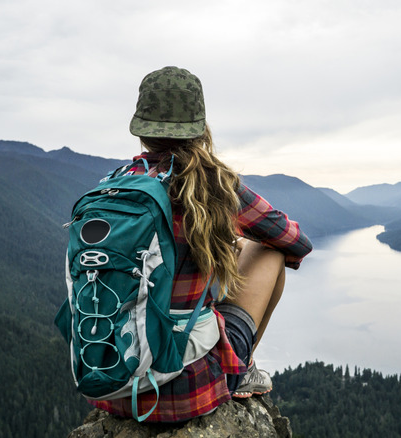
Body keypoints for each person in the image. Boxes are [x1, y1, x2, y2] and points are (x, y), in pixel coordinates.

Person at [89, 66, 312, 422]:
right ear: (199, 127)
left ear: (142, 131)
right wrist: (233, 238)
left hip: (114, 385)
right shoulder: (215, 185)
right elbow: (295, 242)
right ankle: (240, 370)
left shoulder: (114, 187)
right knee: (270, 251)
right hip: (189, 390)